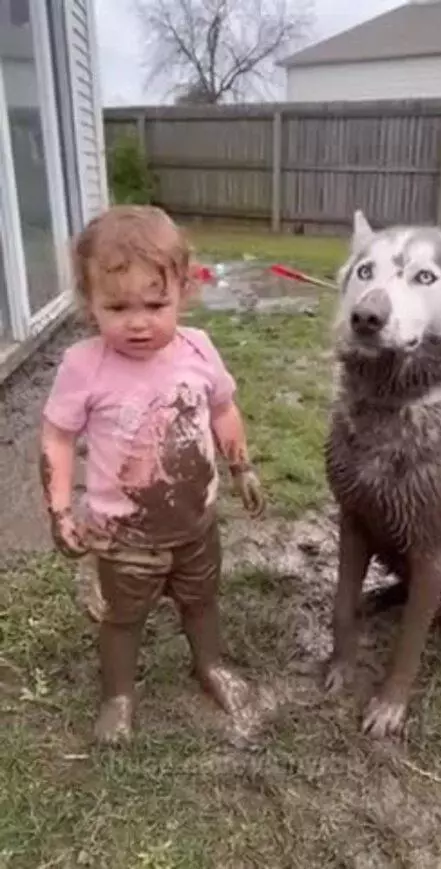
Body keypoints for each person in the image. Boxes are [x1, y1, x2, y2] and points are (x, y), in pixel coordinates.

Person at [40, 204, 265, 744]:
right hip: (123, 538)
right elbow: (57, 437)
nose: (137, 321)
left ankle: (210, 664)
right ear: (89, 302)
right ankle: (118, 695)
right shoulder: (83, 365)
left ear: (184, 291)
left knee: (201, 600)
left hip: (195, 524)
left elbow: (222, 410)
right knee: (122, 617)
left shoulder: (198, 350)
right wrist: (59, 509)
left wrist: (240, 465)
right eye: (117, 306)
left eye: (155, 303)